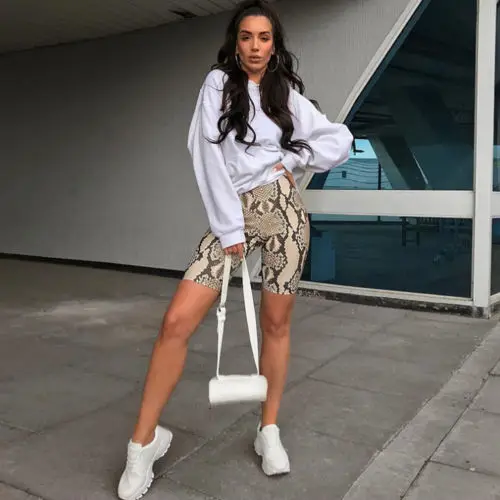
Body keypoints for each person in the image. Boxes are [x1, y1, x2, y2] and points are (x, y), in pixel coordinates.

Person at [117, 1, 353, 498]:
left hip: (285, 212)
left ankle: (269, 430)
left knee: (276, 325)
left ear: (275, 44)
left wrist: (293, 157)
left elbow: (338, 140)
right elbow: (204, 154)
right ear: (235, 42)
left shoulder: (286, 94)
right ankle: (143, 444)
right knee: (176, 322)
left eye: (264, 38)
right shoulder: (218, 85)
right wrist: (228, 228)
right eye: (246, 37)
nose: (255, 47)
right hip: (235, 216)